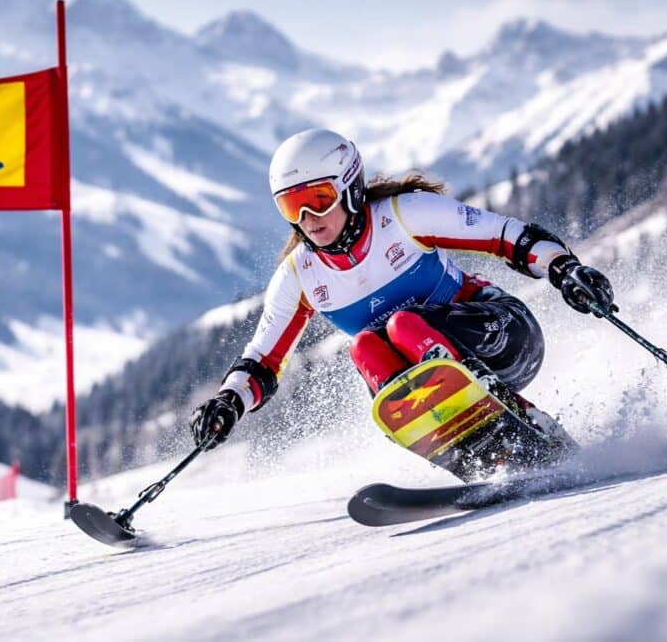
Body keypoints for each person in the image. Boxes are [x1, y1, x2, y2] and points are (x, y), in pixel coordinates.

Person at [190, 128, 614, 473]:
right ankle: (479, 458)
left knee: (403, 325)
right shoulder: (299, 275)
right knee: (365, 348)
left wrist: (564, 269)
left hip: (504, 335)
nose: (308, 220)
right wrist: (228, 403)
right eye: (292, 207)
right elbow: (262, 361)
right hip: (438, 378)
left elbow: (508, 236)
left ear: (350, 189)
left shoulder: (403, 216)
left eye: (319, 200)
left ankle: (526, 423)